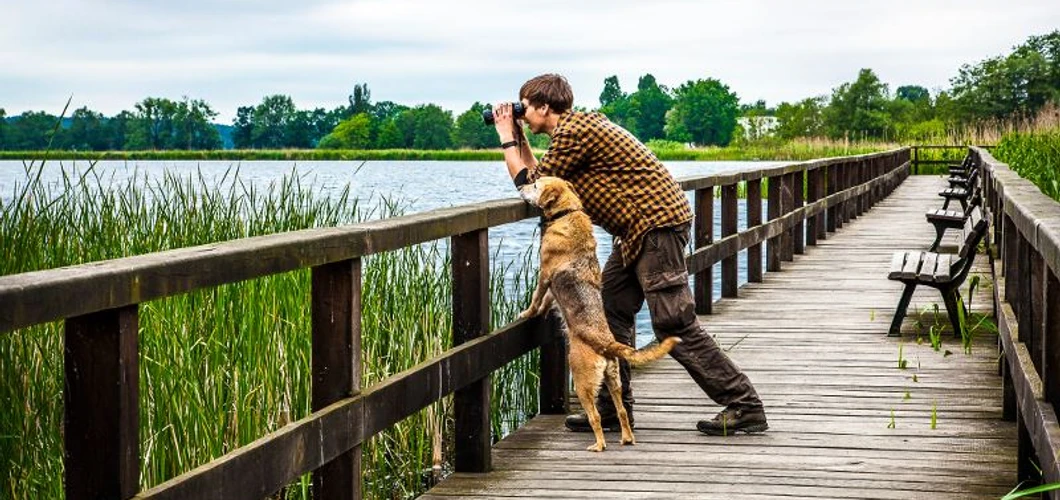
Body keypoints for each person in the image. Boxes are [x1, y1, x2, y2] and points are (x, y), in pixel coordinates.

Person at [492, 73, 768, 436]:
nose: (521, 113)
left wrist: (507, 137)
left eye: (524, 107)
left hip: (654, 229)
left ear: (544, 107)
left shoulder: (574, 133)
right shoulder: (576, 129)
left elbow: (529, 188)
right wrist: (520, 137)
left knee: (673, 321)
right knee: (610, 311)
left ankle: (745, 405)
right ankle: (611, 410)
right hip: (638, 232)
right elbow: (542, 180)